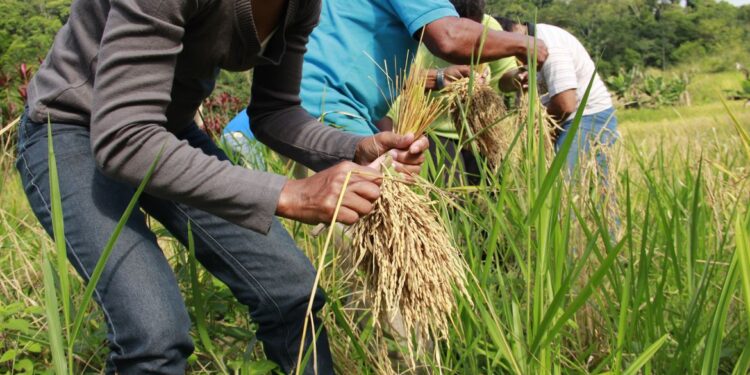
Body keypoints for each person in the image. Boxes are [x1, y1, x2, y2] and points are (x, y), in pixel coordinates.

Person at [16, 0, 429, 373]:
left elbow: (276, 110)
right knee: (154, 335)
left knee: (292, 292)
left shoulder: (302, 5)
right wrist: (290, 193)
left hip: (167, 132)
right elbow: (125, 137)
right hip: (69, 130)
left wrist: (354, 147)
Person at [294, 0, 548, 139]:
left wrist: (439, 78)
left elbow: (371, 71)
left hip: (312, 105)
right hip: (331, 108)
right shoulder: (433, 23)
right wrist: (523, 43)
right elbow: (449, 37)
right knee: (377, 212)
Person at [379, 1, 521, 185]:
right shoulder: (423, 25)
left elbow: (505, 78)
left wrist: (519, 78)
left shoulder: (489, 26)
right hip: (432, 133)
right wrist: (439, 78)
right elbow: (397, 79)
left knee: (488, 198)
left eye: (471, 29)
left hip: (481, 133)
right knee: (448, 198)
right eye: (460, 29)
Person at [496, 17, 618, 178]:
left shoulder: (550, 45)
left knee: (563, 184)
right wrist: (517, 77)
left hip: (586, 117)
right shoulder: (525, 46)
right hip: (565, 119)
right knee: (591, 190)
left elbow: (565, 104)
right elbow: (503, 85)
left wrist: (536, 127)